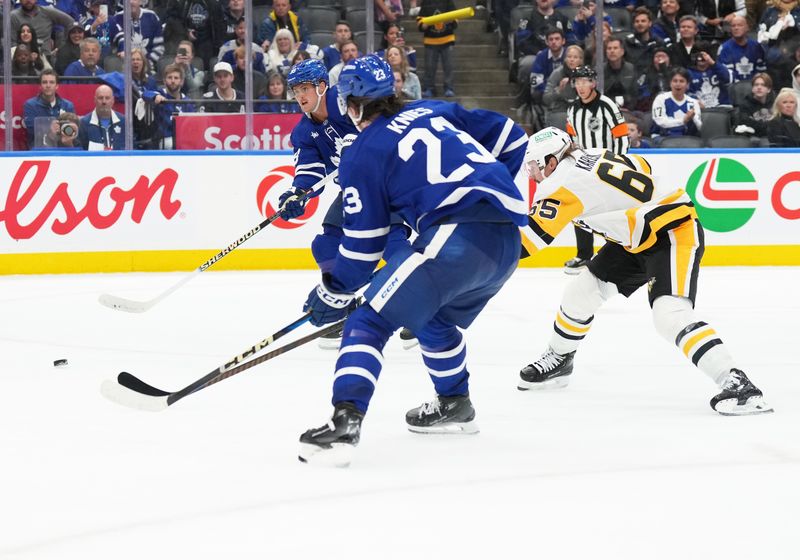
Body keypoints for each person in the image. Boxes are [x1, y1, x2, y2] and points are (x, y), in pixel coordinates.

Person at [297, 55, 529, 466]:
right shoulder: (433, 109)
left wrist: (333, 289)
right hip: (507, 241)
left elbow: (363, 247)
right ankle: (454, 402)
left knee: (367, 321)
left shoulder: (362, 152)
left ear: (351, 103)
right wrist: (490, 190)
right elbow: (512, 137)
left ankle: (344, 423)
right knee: (430, 316)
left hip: (456, 239)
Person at [517, 126, 773, 418]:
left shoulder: (560, 185)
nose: (532, 173)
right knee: (581, 291)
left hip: (673, 233)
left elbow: (527, 244)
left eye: (535, 166)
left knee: (669, 316)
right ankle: (560, 358)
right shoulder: (594, 154)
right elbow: (642, 166)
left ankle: (738, 383)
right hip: (636, 237)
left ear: (552, 161)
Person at [277, 59, 415, 350]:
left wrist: (366, 145)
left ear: (322, 86)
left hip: (389, 181)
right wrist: (297, 195)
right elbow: (309, 171)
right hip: (355, 190)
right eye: (295, 90)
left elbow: (390, 122)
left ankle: (425, 308)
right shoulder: (304, 132)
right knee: (325, 245)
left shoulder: (349, 101)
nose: (300, 96)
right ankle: (345, 306)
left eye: (305, 88)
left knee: (392, 244)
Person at [564, 65, 629, 274]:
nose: (581, 86)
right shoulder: (572, 109)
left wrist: (619, 162)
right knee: (580, 209)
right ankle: (584, 255)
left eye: (585, 81)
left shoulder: (607, 105)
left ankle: (625, 253)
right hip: (584, 167)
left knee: (614, 212)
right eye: (577, 82)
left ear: (593, 83)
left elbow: (622, 136)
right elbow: (573, 140)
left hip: (609, 166)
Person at [141, 63, 196, 148]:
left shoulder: (187, 102)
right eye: (169, 77)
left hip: (184, 140)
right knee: (171, 143)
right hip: (164, 140)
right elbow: (145, 94)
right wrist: (155, 96)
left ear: (181, 81)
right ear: (164, 80)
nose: (173, 81)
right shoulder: (160, 93)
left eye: (176, 78)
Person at [22, 69, 76, 148]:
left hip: (63, 149)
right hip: (39, 150)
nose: (48, 85)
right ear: (40, 86)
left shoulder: (68, 105)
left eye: (51, 82)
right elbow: (32, 130)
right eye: (44, 82)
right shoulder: (30, 105)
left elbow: (72, 130)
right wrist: (50, 129)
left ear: (57, 86)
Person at [650, 66, 703, 141]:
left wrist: (694, 118)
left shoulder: (693, 102)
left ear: (687, 85)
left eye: (681, 81)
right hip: (662, 138)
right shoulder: (660, 99)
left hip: (686, 138)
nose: (678, 84)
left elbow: (699, 127)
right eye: (675, 81)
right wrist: (683, 121)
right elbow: (659, 121)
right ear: (670, 83)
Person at [10, 0, 76, 60]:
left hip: (46, 57)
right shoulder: (13, 16)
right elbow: (12, 43)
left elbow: (71, 23)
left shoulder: (47, 12)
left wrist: (63, 46)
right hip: (23, 59)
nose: (28, 1)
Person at [417, 0, 457, 98]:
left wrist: (452, 20)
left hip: (447, 39)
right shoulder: (426, 2)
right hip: (430, 40)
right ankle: (429, 88)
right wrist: (423, 25)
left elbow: (455, 20)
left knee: (448, 66)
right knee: (429, 67)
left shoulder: (448, 2)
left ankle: (449, 88)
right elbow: (420, 22)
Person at [112, 0, 164, 67]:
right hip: (124, 68)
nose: (130, 2)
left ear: (140, 1)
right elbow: (113, 49)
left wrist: (146, 65)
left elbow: (159, 47)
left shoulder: (152, 16)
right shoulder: (116, 18)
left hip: (149, 67)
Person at [717, 15, 767, 83]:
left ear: (747, 28)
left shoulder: (757, 47)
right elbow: (726, 76)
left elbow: (761, 72)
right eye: (733, 26)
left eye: (740, 25)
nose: (736, 28)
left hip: (754, 87)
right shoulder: (724, 48)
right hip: (733, 88)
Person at [78, 84, 126, 150]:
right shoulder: (84, 123)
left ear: (113, 100)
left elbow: (131, 148)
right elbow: (81, 151)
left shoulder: (123, 121)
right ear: (95, 100)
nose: (104, 101)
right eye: (100, 98)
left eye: (107, 98)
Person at [625, 6, 668, 74]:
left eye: (643, 21)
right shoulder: (627, 43)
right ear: (633, 24)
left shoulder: (659, 43)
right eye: (637, 21)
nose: (640, 24)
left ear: (650, 23)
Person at [542, 44, 583, 114]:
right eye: (569, 57)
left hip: (580, 110)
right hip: (559, 111)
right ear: (565, 59)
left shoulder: (585, 75)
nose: (571, 60)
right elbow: (546, 99)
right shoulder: (557, 73)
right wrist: (558, 90)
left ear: (581, 60)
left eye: (575, 57)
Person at [733, 72, 776, 137]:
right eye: (756, 85)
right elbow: (746, 123)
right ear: (752, 88)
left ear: (769, 89)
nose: (759, 87)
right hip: (753, 139)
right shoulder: (744, 105)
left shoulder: (775, 103)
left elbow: (778, 124)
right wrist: (768, 125)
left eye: (763, 85)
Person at [603, 37, 638, 110]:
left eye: (615, 48)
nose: (612, 51)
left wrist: (628, 109)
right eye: (609, 48)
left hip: (628, 110)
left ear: (622, 51)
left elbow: (634, 94)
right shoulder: (599, 70)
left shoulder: (631, 69)